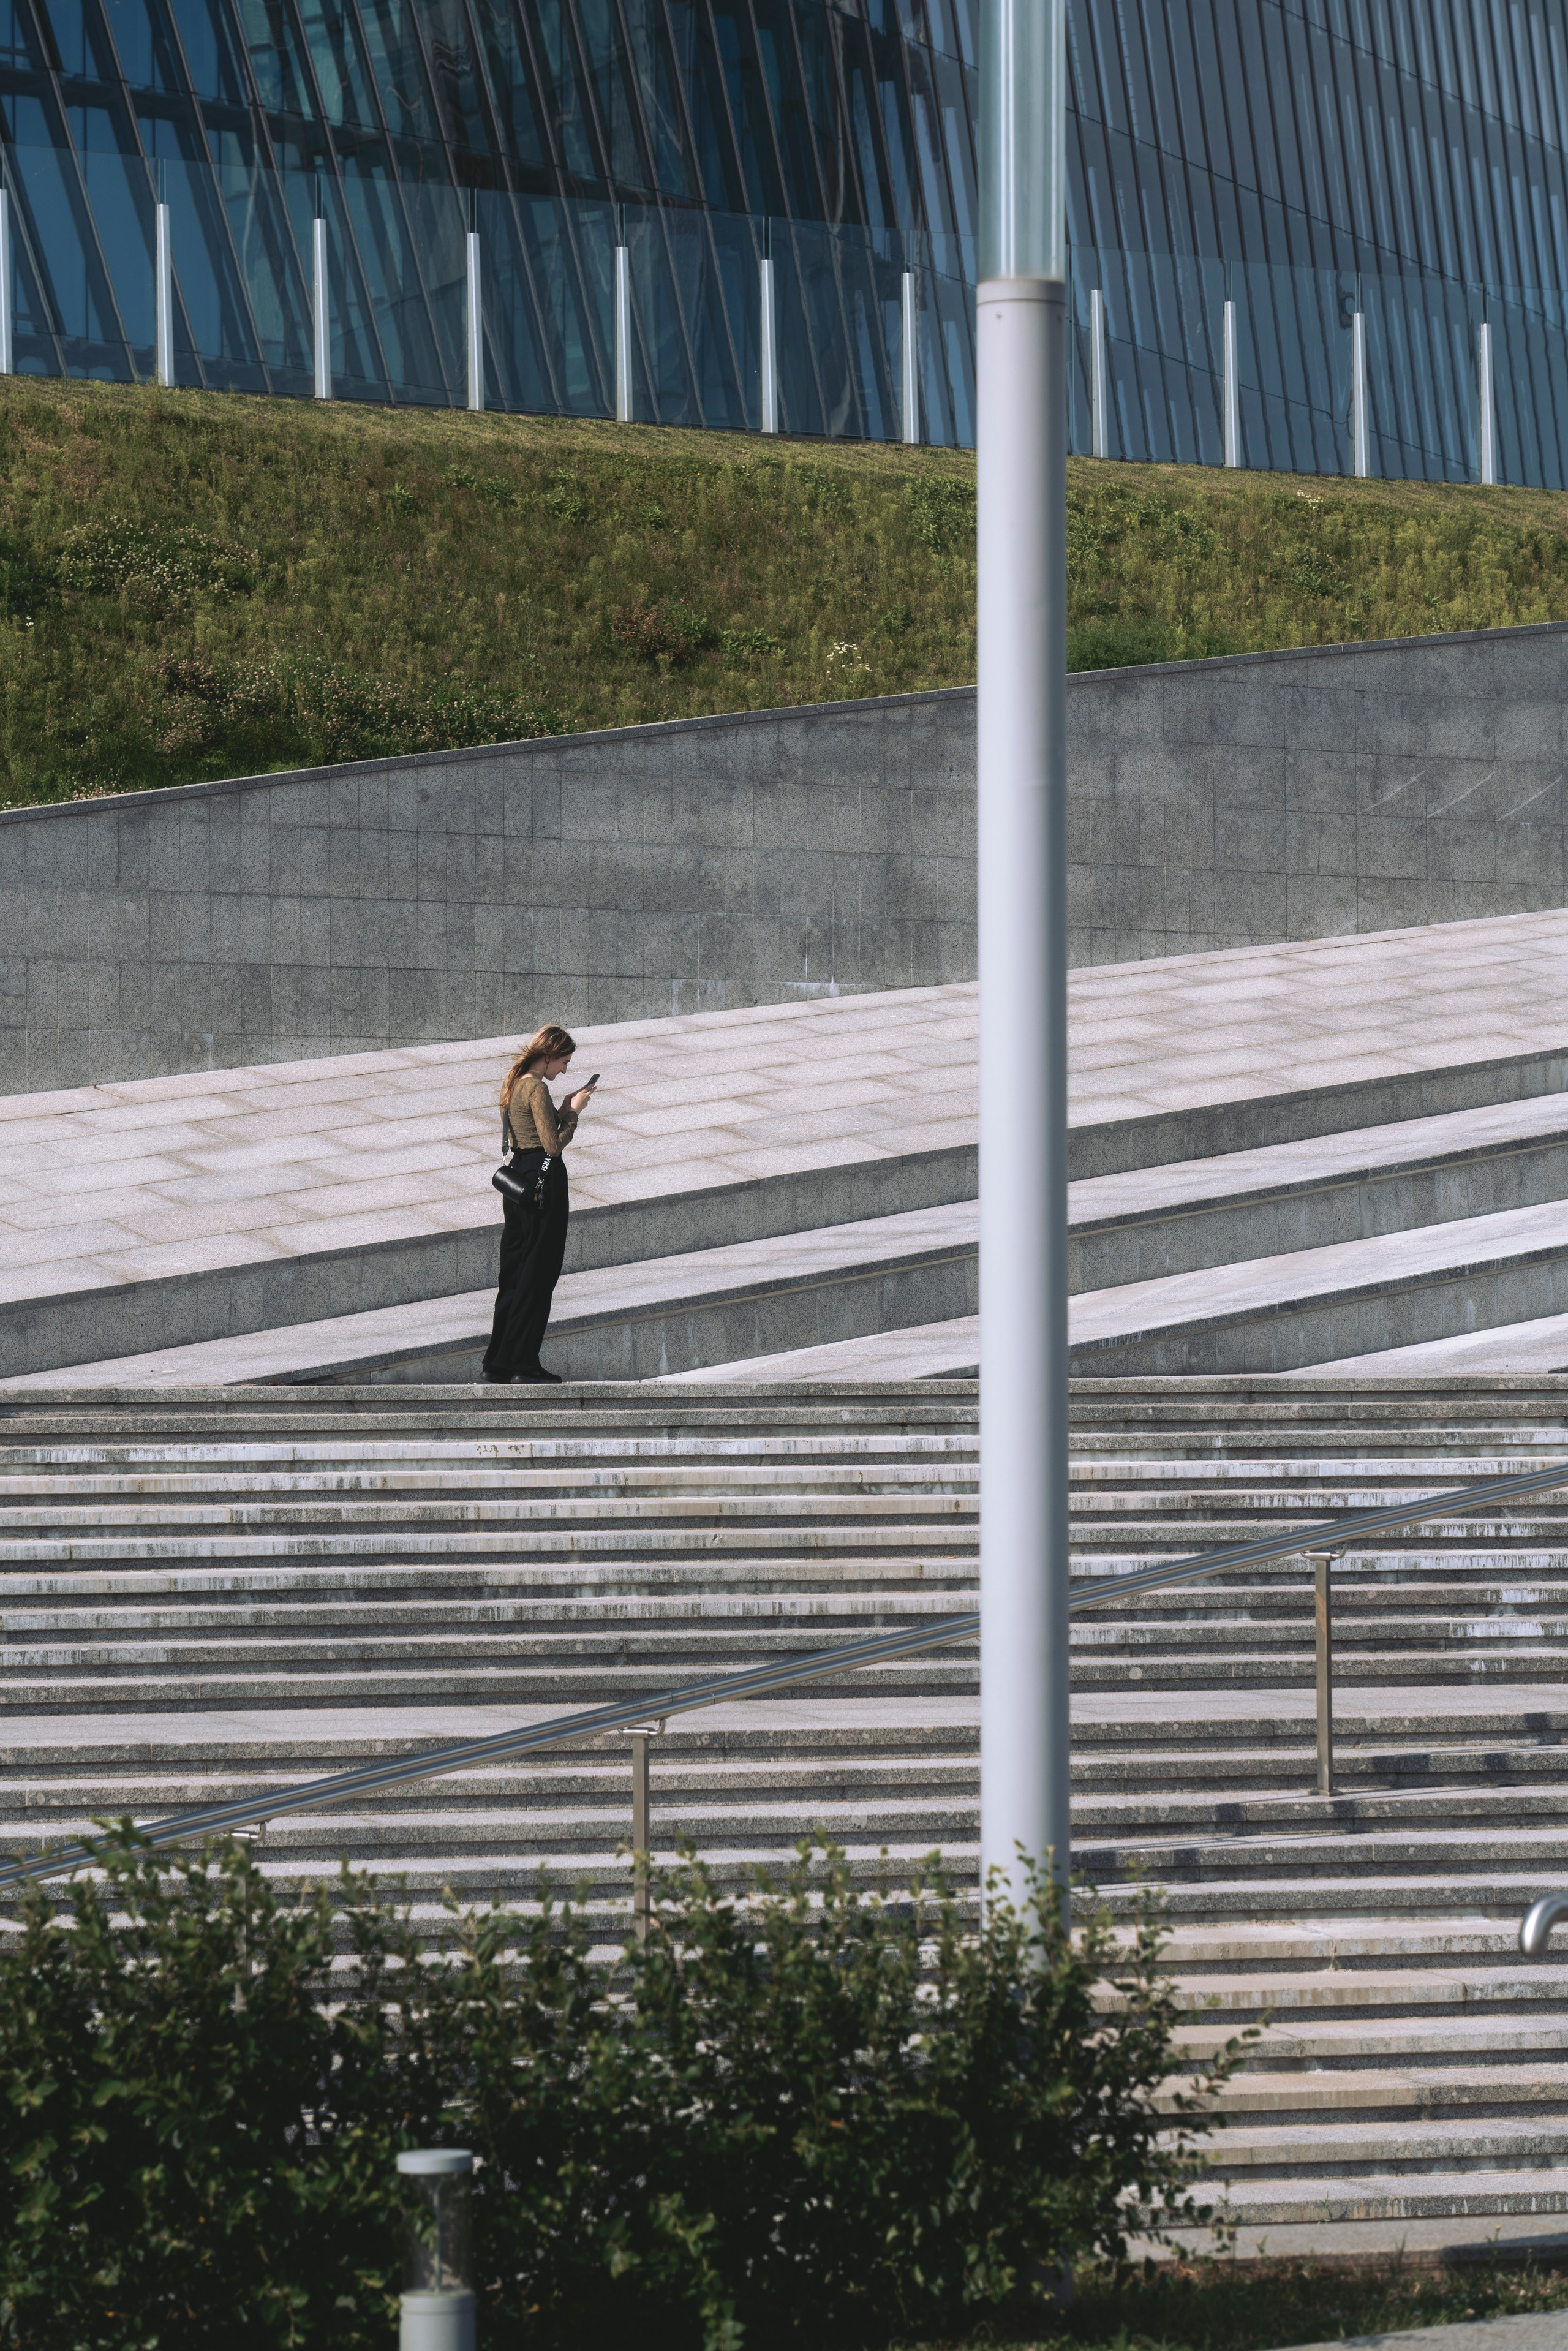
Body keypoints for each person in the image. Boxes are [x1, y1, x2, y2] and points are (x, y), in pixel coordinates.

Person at [482, 1024, 597, 1384]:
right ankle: (523, 1364)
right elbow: (553, 1145)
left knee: (515, 1272)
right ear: (547, 1056)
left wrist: (560, 1108)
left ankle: (499, 1362)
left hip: (519, 1178)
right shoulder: (535, 1086)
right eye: (563, 1062)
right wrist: (575, 1111)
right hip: (543, 1181)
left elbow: (531, 1135)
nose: (564, 1070)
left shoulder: (515, 1082)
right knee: (539, 1271)